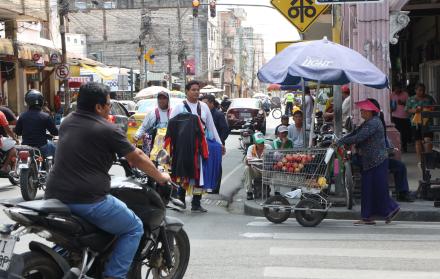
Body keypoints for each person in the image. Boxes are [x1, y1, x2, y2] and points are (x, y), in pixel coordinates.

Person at [45, 82, 170, 279]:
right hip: (87, 199)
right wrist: (161, 176)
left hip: (54, 195)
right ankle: (114, 275)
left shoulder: (68, 120)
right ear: (98, 107)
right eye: (108, 104)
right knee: (133, 227)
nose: (110, 108)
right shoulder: (106, 128)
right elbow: (136, 156)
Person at [337, 98, 400, 225]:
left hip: (377, 161)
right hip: (370, 161)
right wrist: (341, 139)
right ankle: (372, 216)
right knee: (370, 189)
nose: (361, 112)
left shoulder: (374, 123)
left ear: (370, 111)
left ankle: (389, 209)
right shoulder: (368, 122)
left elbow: (359, 137)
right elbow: (355, 133)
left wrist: (342, 141)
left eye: (363, 110)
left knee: (376, 189)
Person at [169, 80, 224, 212]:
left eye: (197, 90)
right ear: (187, 91)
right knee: (183, 173)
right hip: (184, 147)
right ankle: (180, 201)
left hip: (201, 146)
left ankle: (196, 203)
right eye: (193, 90)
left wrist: (219, 143)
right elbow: (170, 127)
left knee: (200, 175)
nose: (196, 92)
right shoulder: (179, 107)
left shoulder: (204, 107)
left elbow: (211, 126)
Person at [15, 90, 58, 158]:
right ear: (41, 101)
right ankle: (52, 167)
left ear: (28, 102)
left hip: (26, 147)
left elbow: (17, 132)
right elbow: (55, 132)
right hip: (42, 146)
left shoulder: (22, 116)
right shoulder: (45, 116)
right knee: (54, 147)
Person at [200, 94, 230, 194]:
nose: (203, 105)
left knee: (217, 166)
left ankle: (215, 188)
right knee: (205, 165)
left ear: (212, 103)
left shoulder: (218, 114)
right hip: (205, 145)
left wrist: (218, 143)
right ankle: (206, 185)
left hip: (216, 145)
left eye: (205, 103)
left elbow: (225, 130)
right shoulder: (202, 113)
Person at [133, 91, 170, 155]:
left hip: (167, 146)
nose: (162, 100)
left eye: (164, 98)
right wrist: (137, 136)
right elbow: (143, 127)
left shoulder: (172, 113)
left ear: (168, 100)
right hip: (153, 147)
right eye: (160, 98)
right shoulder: (152, 113)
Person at [405, 83, 435, 163]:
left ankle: (428, 160)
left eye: (423, 90)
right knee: (418, 142)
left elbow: (434, 107)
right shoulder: (411, 99)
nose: (422, 92)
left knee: (428, 140)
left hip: (427, 123)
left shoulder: (429, 98)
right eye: (420, 90)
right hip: (415, 123)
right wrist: (414, 110)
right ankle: (421, 161)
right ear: (415, 90)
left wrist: (429, 109)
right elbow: (407, 110)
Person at [244, 132, 272, 200]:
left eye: (262, 142)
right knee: (247, 168)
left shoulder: (268, 147)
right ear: (255, 142)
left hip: (266, 171)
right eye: (259, 142)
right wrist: (251, 161)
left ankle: (269, 188)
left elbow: (271, 161)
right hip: (255, 171)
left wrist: (255, 161)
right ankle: (249, 192)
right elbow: (248, 161)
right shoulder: (251, 148)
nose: (261, 144)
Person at [390, 83, 410, 153]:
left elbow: (409, 104)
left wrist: (403, 103)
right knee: (397, 132)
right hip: (395, 116)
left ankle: (404, 146)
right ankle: (398, 146)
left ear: (401, 88)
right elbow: (389, 104)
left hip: (404, 116)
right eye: (395, 89)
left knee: (404, 133)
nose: (397, 90)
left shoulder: (405, 94)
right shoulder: (392, 94)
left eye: (398, 88)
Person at [0, 110, 19, 175]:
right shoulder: (1, 114)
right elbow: (8, 130)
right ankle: (4, 167)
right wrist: (15, 139)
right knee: (14, 146)